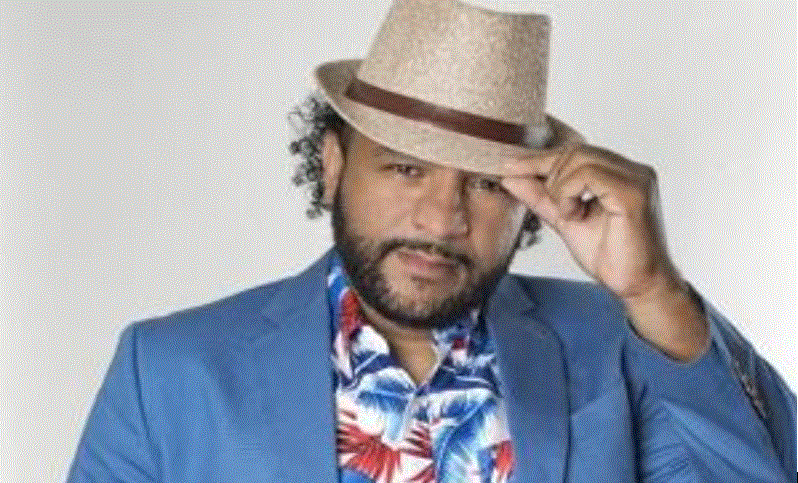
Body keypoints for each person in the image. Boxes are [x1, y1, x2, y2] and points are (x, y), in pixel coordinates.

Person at [67, 1, 795, 482]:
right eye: (406, 168)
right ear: (334, 164)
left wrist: (654, 291)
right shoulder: (168, 373)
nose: (444, 216)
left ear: (530, 199)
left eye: (485, 183)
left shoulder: (618, 345)